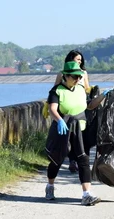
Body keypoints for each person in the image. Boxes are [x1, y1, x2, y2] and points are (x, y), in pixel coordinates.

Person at [45, 61, 108, 206]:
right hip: (63, 130)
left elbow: (90, 105)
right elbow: (52, 109)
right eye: (74, 77)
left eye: (79, 77)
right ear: (65, 76)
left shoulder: (80, 90)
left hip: (79, 130)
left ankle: (86, 194)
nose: (77, 79)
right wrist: (59, 120)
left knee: (83, 159)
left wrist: (103, 96)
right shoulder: (56, 91)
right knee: (56, 160)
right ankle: (50, 186)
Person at [53, 50, 90, 173]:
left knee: (81, 134)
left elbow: (87, 87)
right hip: (67, 108)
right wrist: (50, 103)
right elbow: (55, 88)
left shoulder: (84, 73)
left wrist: (91, 90)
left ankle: (80, 159)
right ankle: (72, 160)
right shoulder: (62, 74)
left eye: (80, 60)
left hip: (80, 104)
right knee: (69, 135)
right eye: (77, 59)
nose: (79, 62)